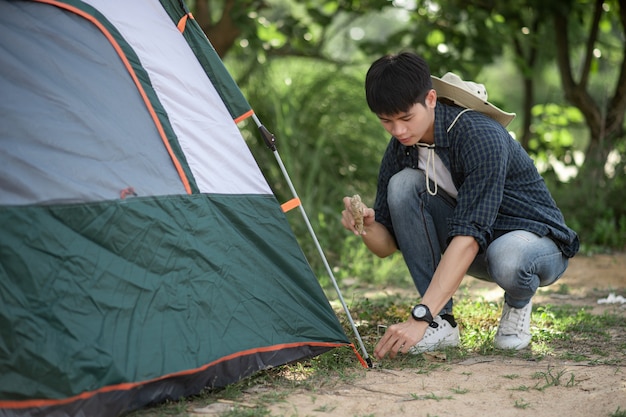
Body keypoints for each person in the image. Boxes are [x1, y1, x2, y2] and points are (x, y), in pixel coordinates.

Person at [341, 52, 579, 360]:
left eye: (405, 118)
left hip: (536, 243)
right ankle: (442, 323)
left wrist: (418, 317)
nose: (398, 131)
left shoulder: (479, 134)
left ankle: (516, 305)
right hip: (479, 246)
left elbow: (468, 236)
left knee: (507, 257)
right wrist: (368, 226)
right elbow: (386, 246)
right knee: (401, 185)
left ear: (430, 98)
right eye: (387, 121)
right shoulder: (402, 148)